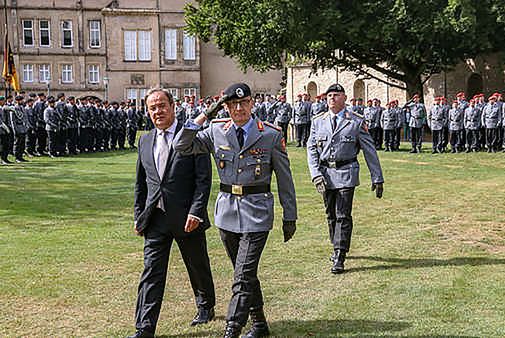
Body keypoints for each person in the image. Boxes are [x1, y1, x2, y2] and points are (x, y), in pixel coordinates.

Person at [174, 82, 297, 338]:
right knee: (244, 273)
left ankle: (233, 327)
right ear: (226, 106)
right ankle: (260, 324)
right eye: (232, 104)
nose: (239, 108)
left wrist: (290, 215)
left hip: (258, 212)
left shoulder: (271, 134)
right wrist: (208, 112)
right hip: (227, 213)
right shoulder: (216, 130)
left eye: (244, 103)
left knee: (242, 275)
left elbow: (285, 179)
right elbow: (181, 145)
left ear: (252, 103)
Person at [127, 88, 215, 338]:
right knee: (151, 272)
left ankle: (205, 305)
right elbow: (140, 183)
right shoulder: (144, 140)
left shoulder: (191, 136)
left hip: (187, 217)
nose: (158, 111)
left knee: (197, 265)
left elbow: (203, 179)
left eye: (162, 106)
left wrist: (196, 212)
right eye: (152, 108)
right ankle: (144, 327)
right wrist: (138, 215)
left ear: (173, 106)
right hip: (155, 218)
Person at [307, 83, 384, 274]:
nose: (331, 98)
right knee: (330, 214)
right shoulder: (318, 121)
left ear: (345, 98)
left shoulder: (356, 121)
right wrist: (315, 174)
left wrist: (377, 177)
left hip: (346, 172)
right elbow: (311, 149)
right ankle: (336, 245)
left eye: (336, 95)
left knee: (342, 214)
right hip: (325, 174)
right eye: (329, 95)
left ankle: (340, 254)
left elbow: (369, 150)